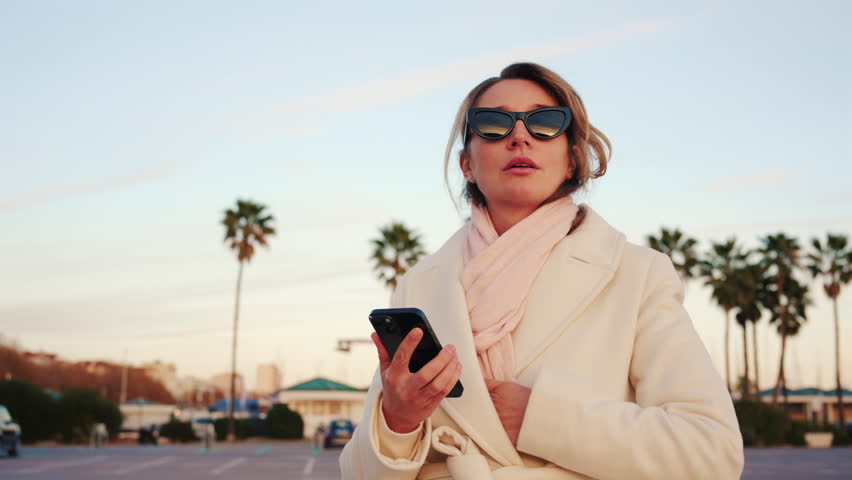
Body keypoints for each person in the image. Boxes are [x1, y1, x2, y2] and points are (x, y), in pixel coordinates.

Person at [339, 62, 744, 479]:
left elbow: (713, 453)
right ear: (467, 165)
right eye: (493, 123)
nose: (519, 136)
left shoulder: (637, 274)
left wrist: (538, 419)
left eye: (545, 122)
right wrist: (397, 423)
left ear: (572, 160)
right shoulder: (420, 285)